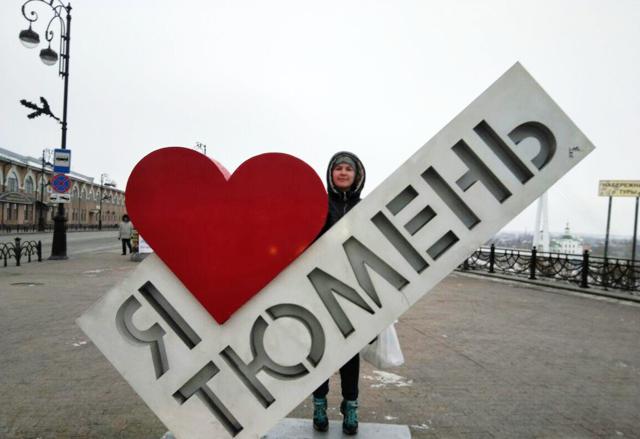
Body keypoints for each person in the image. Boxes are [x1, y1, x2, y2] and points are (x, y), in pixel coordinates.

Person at [312, 151, 366, 435]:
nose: (343, 173)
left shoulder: (366, 208)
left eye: (348, 169)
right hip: (319, 287)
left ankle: (351, 405)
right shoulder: (319, 205)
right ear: (331, 173)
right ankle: (319, 404)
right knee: (319, 349)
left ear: (357, 176)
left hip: (352, 290)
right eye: (338, 168)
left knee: (349, 352)